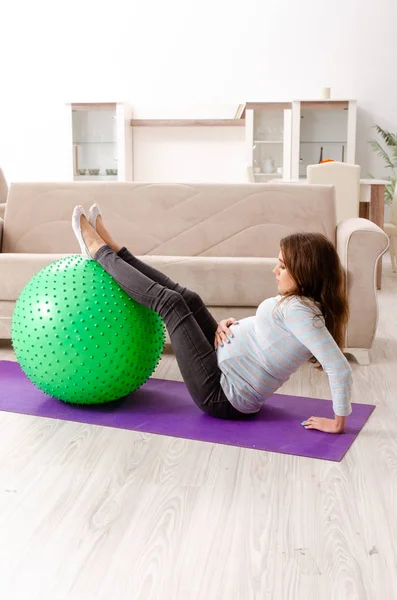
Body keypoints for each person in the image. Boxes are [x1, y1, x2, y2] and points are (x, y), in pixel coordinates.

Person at [72, 204, 352, 435]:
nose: (274, 270)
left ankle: (100, 253)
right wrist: (232, 326)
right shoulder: (300, 302)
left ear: (306, 272)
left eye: (282, 265)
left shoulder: (301, 313)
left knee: (170, 304)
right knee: (189, 299)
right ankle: (117, 251)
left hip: (221, 395)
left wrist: (338, 423)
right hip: (222, 358)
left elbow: (339, 368)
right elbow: (270, 334)